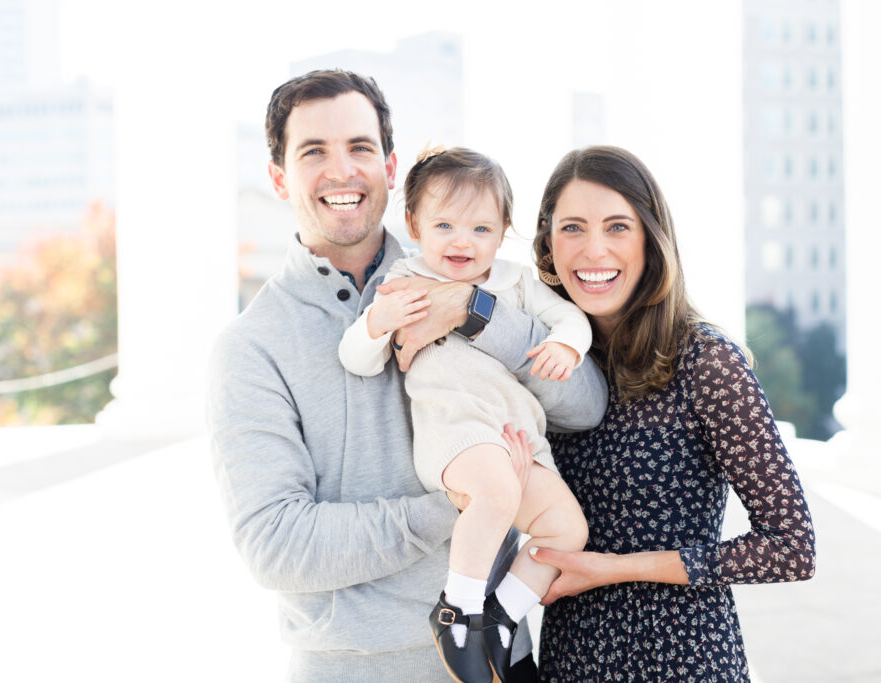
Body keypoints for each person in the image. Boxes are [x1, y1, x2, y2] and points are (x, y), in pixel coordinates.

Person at [205, 70, 608, 683]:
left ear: (391, 169)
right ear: (279, 177)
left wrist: (476, 314)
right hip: (354, 670)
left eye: (360, 148)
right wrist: (472, 495)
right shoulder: (251, 347)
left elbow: (584, 404)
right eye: (314, 151)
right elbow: (277, 544)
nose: (342, 171)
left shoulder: (478, 268)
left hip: (501, 660)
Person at [525, 146, 817, 682]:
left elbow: (791, 548)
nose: (594, 250)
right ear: (547, 241)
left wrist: (612, 570)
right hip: (571, 660)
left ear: (651, 239)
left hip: (681, 659)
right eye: (572, 228)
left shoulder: (706, 360)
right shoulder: (545, 358)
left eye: (617, 226)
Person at [339, 145, 590, 683]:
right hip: (455, 435)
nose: (461, 241)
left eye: (481, 229)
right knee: (495, 492)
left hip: (518, 438)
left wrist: (567, 346)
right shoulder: (404, 281)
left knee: (567, 529)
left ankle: (498, 618)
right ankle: (457, 609)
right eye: (445, 224)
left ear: (502, 232)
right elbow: (357, 360)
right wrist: (376, 324)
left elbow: (570, 319)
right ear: (414, 224)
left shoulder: (517, 282)